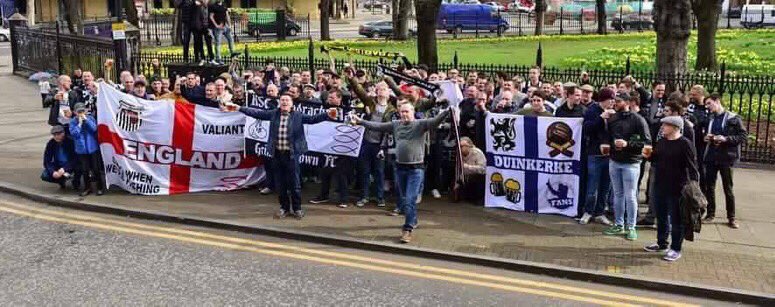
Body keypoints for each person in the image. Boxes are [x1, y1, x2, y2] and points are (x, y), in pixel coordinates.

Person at [220, 95, 338, 219]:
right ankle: (284, 208)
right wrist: (239, 108)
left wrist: (327, 114)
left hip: (291, 155)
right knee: (280, 184)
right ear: (279, 103)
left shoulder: (297, 115)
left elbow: (313, 119)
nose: (284, 102)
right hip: (277, 154)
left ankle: (297, 209)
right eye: (282, 100)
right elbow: (256, 113)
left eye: (287, 100)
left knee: (295, 184)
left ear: (292, 104)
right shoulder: (274, 114)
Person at [351, 103, 451, 244]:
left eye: (407, 111)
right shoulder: (396, 124)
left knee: (410, 200)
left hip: (416, 169)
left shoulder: (420, 124)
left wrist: (447, 112)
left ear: (413, 112)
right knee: (405, 200)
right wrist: (361, 121)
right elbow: (377, 126)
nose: (404, 114)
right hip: (400, 168)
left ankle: (407, 229)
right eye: (402, 112)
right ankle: (413, 220)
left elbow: (435, 122)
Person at [643, 116, 699, 262]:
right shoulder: (661, 142)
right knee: (661, 217)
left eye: (666, 125)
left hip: (677, 187)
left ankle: (675, 248)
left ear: (675, 127)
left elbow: (692, 166)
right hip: (660, 185)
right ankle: (662, 242)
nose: (662, 128)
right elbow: (656, 159)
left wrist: (694, 186)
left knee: (677, 220)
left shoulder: (685, 144)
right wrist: (649, 157)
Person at [601, 93, 651, 241]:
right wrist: (610, 146)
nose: (615, 103)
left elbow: (646, 143)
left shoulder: (638, 120)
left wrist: (627, 144)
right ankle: (618, 224)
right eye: (615, 100)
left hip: (632, 162)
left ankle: (631, 226)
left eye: (619, 101)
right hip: (615, 161)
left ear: (628, 102)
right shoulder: (613, 118)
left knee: (630, 196)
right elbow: (607, 138)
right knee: (617, 194)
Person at [702, 94, 747, 229]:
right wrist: (708, 138)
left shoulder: (733, 118)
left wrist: (726, 139)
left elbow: (743, 136)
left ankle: (731, 217)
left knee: (728, 187)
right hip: (711, 156)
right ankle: (710, 214)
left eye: (709, 104)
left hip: (726, 157)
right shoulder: (710, 118)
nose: (708, 107)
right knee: (709, 187)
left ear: (717, 101)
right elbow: (704, 132)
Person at [578, 88, 616, 225]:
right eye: (610, 99)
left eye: (613, 99)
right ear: (603, 100)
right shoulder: (592, 111)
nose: (612, 102)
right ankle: (588, 211)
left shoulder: (615, 112)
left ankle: (600, 212)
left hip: (610, 155)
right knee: (592, 186)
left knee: (606, 187)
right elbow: (587, 129)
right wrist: (602, 118)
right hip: (594, 154)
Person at [69, 103, 104, 196]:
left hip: (92, 148)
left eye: (82, 111)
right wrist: (79, 124)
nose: (81, 113)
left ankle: (100, 187)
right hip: (81, 150)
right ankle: (87, 188)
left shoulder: (90, 118)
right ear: (74, 112)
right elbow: (74, 134)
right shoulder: (73, 122)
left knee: (96, 169)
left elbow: (94, 128)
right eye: (79, 112)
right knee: (85, 170)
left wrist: (86, 121)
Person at [41, 125, 79, 190]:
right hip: (58, 165)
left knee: (78, 168)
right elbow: (47, 161)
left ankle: (75, 180)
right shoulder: (51, 143)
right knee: (45, 175)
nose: (56, 137)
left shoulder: (70, 142)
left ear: (63, 133)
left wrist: (65, 169)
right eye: (54, 135)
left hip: (70, 166)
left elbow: (76, 159)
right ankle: (61, 181)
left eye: (58, 134)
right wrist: (52, 171)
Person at [457, 137, 486, 203]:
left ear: (469, 146)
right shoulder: (459, 155)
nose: (461, 148)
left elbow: (483, 169)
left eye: (462, 146)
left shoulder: (477, 153)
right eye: (460, 146)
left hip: (477, 177)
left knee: (477, 178)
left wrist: (468, 167)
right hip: (464, 177)